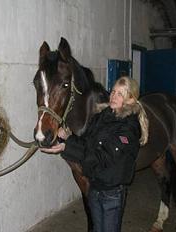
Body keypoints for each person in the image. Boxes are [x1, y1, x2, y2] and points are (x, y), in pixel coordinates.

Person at [40, 76, 149, 232]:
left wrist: (66, 147)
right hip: (94, 187)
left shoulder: (129, 128)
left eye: (120, 94)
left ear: (131, 100)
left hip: (111, 192)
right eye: (113, 91)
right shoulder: (101, 117)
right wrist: (68, 138)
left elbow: (101, 157)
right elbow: (87, 145)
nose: (113, 96)